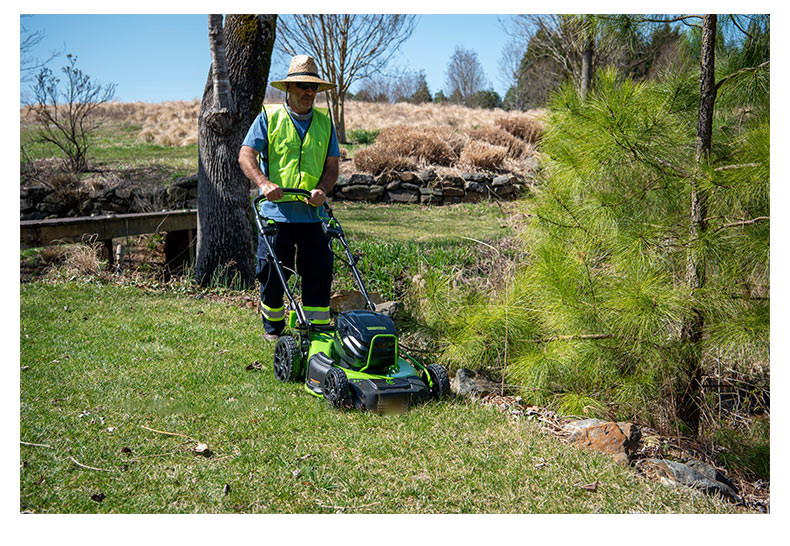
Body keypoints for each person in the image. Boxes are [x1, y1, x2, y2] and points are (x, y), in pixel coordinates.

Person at [239, 55, 340, 342]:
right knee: (272, 274)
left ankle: (316, 331)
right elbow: (245, 155)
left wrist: (323, 189)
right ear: (288, 88)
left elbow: (332, 166)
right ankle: (273, 329)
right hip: (276, 214)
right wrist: (263, 182)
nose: (308, 92)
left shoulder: (325, 124)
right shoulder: (268, 117)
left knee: (319, 272)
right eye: (302, 86)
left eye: (313, 87)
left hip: (313, 215)